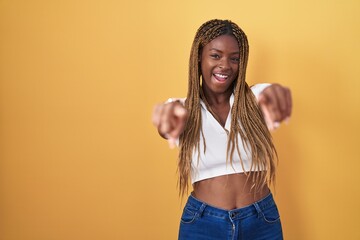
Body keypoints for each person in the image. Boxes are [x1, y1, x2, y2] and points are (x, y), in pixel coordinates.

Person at [152, 19, 292, 240]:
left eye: (234, 58)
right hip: (203, 224)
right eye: (215, 55)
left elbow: (270, 93)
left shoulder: (252, 99)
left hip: (261, 221)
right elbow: (167, 122)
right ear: (199, 57)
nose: (225, 65)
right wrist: (167, 119)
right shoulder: (185, 109)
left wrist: (277, 95)